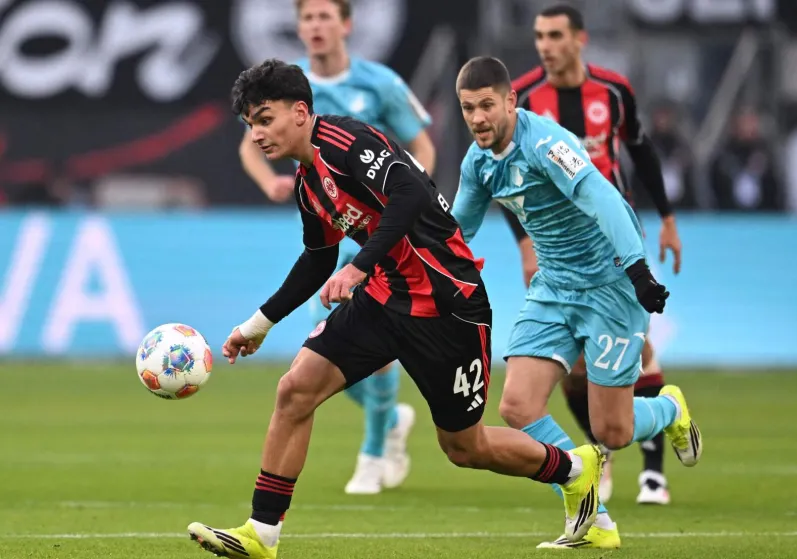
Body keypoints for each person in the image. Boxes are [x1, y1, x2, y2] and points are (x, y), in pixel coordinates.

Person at [187, 59, 607, 559]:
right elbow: (319, 257)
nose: (257, 134)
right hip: (385, 299)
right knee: (295, 390)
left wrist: (360, 264)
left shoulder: (348, 143)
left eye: (264, 117)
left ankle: (576, 470)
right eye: (250, 124)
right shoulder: (308, 182)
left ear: (300, 112)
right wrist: (257, 325)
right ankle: (262, 533)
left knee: (464, 448)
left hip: (449, 304)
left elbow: (408, 190)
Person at [452, 56, 702, 551]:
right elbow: (457, 231)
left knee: (614, 428)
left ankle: (669, 409)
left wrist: (638, 270)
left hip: (610, 285)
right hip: (553, 288)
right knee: (518, 407)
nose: (478, 118)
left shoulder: (546, 143)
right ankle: (596, 518)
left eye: (486, 105)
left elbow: (604, 199)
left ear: (509, 101)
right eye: (467, 109)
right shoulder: (477, 163)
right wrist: (392, 261)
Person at [238, 0, 437, 495]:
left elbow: (421, 146)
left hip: (385, 232)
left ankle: (373, 451)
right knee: (320, 349)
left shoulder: (380, 83)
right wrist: (269, 183)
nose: (316, 26)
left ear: (346, 25)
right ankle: (389, 419)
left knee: (368, 346)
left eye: (326, 16)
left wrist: (418, 199)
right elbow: (250, 143)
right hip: (335, 226)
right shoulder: (285, 88)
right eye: (307, 18)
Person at [506, 3, 683, 506]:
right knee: (575, 367)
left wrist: (668, 219)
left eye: (556, 35)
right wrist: (524, 243)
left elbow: (642, 152)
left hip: (613, 243)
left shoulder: (612, 91)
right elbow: (504, 175)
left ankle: (652, 472)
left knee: (639, 350)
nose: (546, 45)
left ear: (579, 39)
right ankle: (599, 454)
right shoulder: (524, 98)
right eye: (540, 35)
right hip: (558, 251)